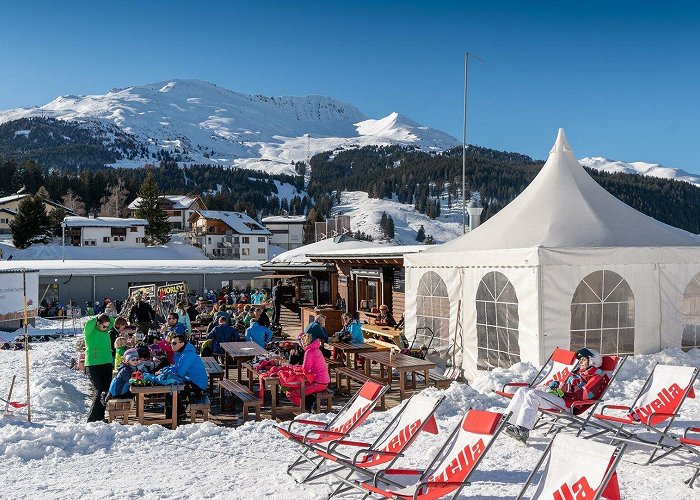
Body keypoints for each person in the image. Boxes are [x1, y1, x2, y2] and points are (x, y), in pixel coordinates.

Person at [504, 348, 607, 443]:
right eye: (580, 360)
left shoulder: (596, 378)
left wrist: (562, 386)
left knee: (533, 395)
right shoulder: (577, 374)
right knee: (523, 390)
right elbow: (564, 387)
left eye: (583, 359)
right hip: (560, 399)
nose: (580, 362)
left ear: (593, 361)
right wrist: (555, 386)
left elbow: (585, 394)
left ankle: (523, 431)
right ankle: (508, 422)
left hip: (570, 405)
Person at [165, 333, 209, 419]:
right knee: (171, 389)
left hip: (198, 385)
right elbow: (177, 368)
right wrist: (166, 370)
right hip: (190, 380)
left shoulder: (187, 355)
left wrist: (168, 371)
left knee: (171, 392)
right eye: (171, 343)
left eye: (174, 343)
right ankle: (177, 415)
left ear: (182, 343)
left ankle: (174, 418)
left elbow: (180, 372)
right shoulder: (181, 353)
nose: (171, 345)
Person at [83, 313, 116, 422]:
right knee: (99, 390)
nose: (106, 328)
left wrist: (105, 317)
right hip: (93, 364)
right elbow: (89, 324)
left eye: (107, 326)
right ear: (97, 323)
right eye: (103, 326)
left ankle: (100, 417)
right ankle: (92, 420)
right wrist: (98, 318)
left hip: (106, 363)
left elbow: (112, 321)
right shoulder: (90, 332)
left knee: (105, 392)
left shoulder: (105, 331)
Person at [286, 333, 330, 412]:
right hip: (322, 379)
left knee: (291, 393)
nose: (300, 344)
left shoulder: (309, 351)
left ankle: (307, 410)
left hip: (319, 382)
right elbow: (307, 367)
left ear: (305, 341)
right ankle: (311, 404)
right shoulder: (316, 349)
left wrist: (293, 368)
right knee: (297, 389)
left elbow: (305, 369)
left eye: (301, 342)